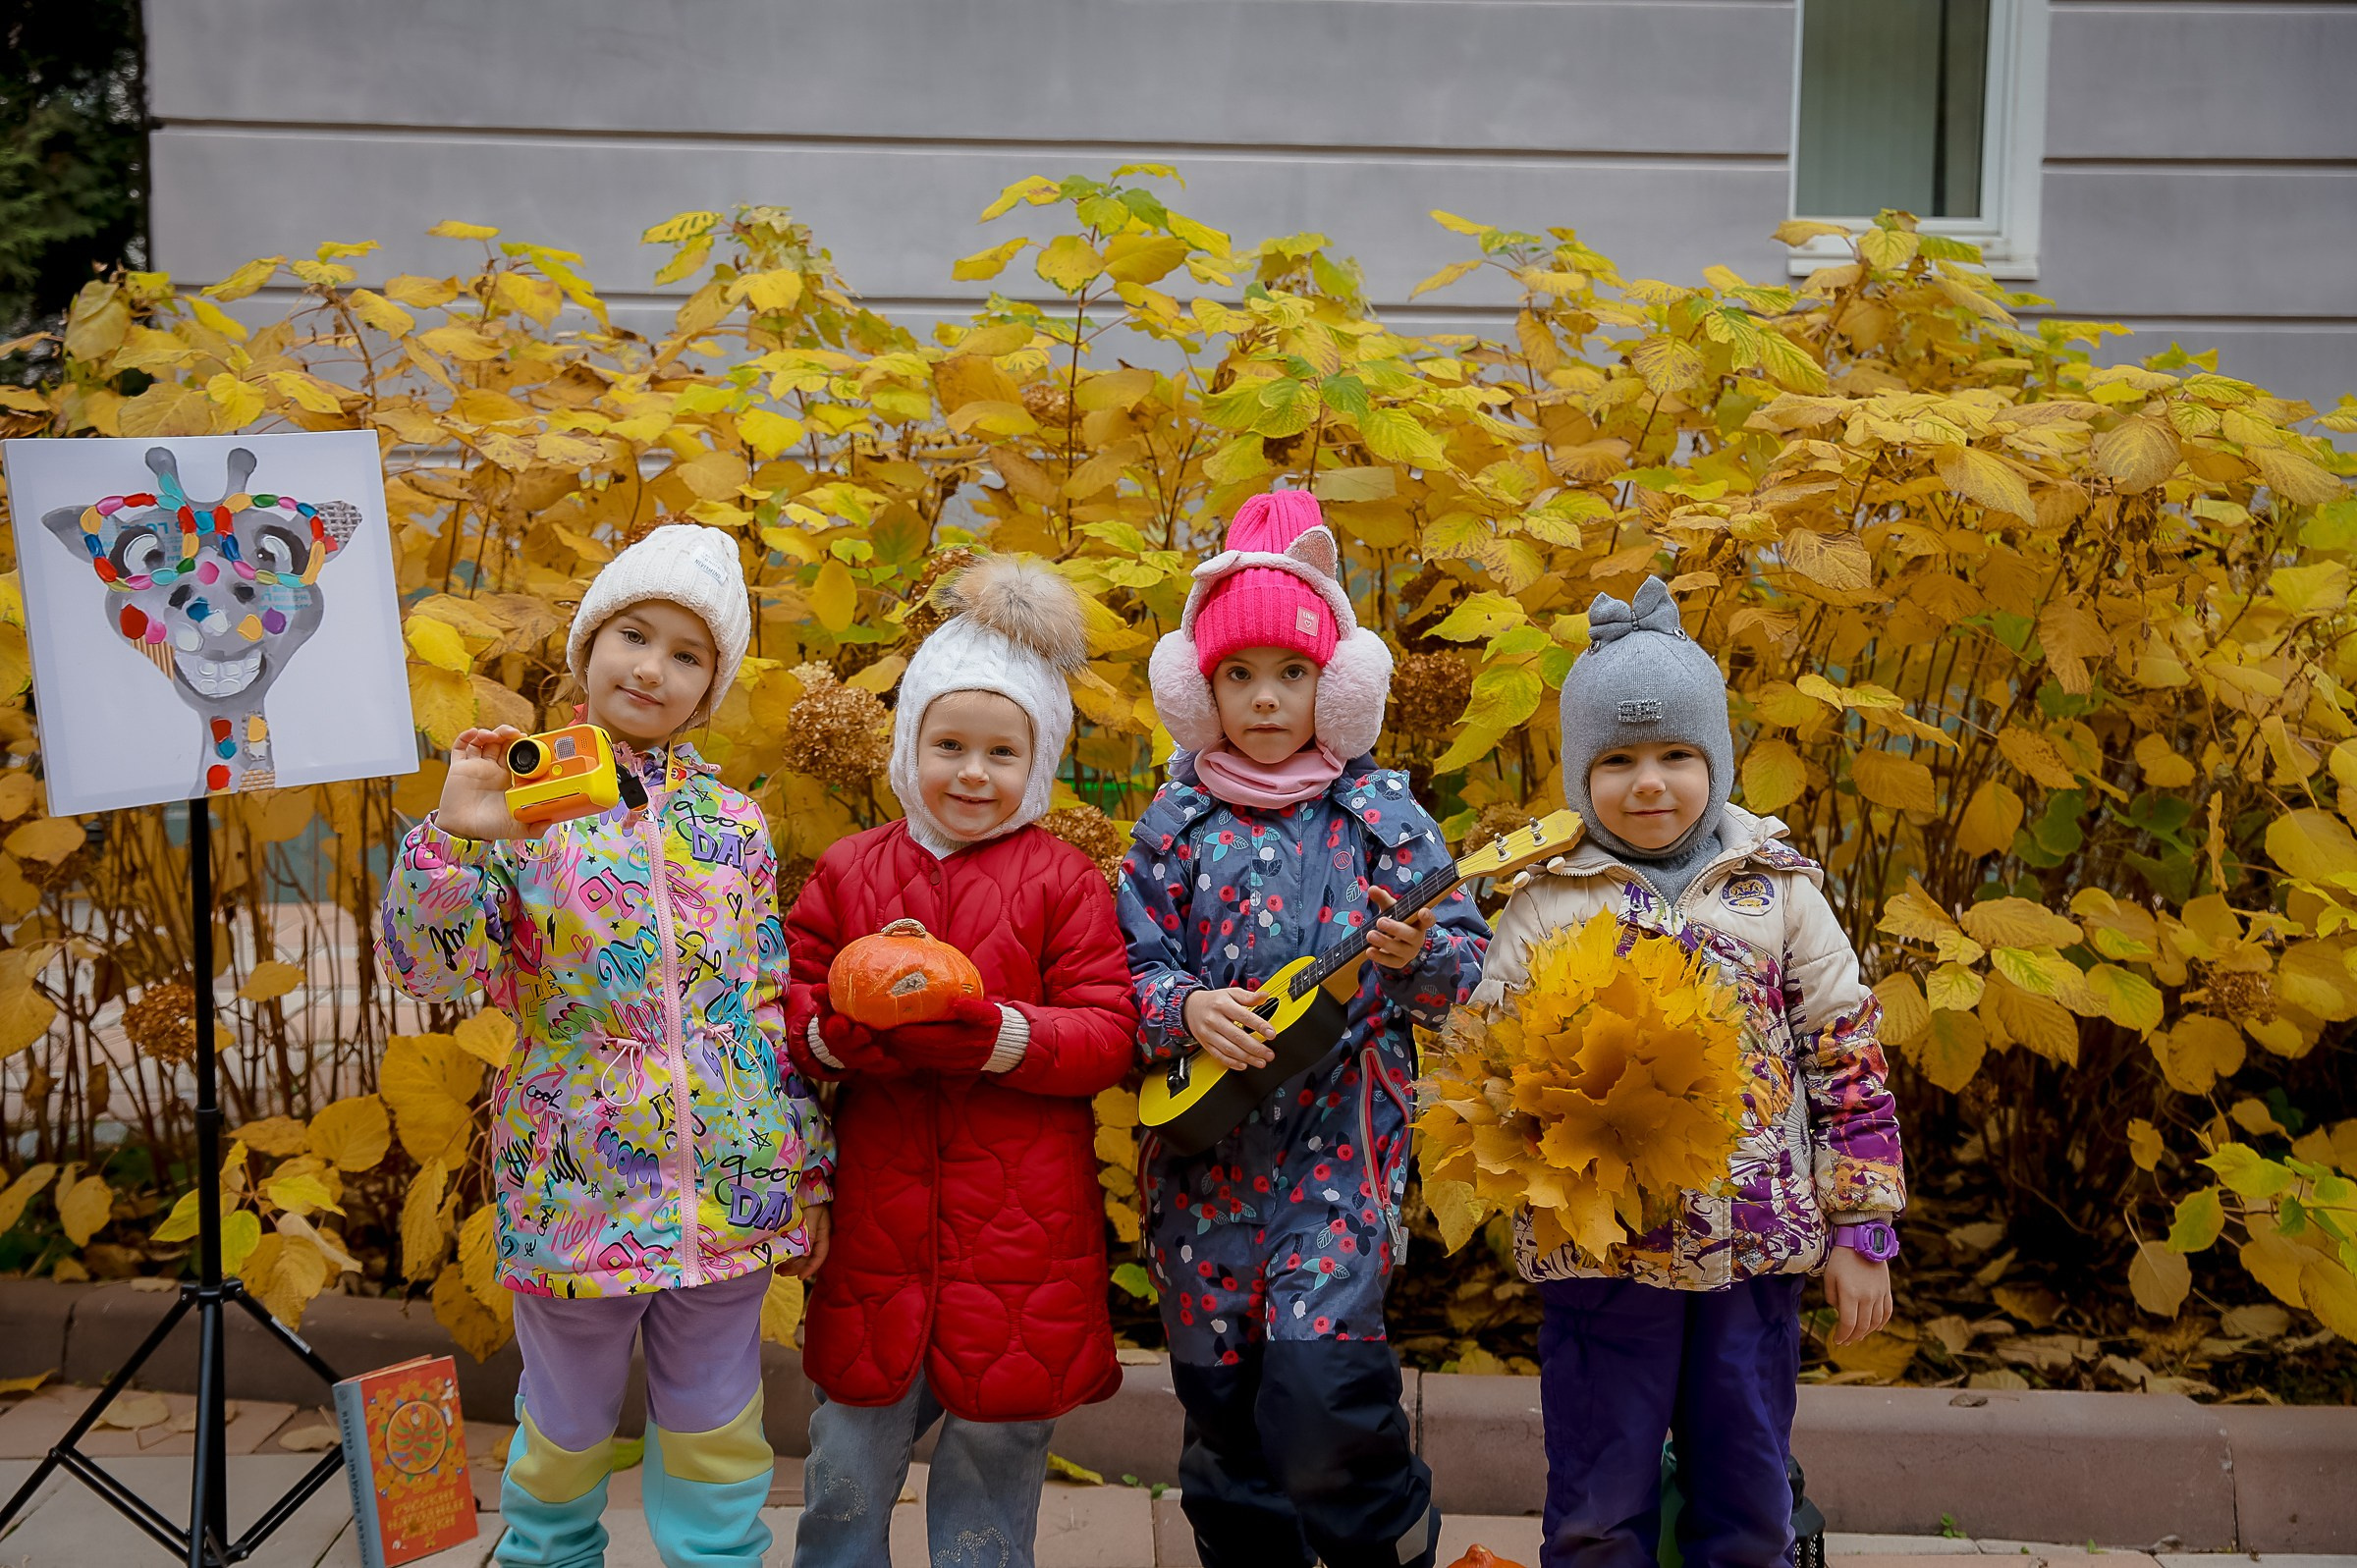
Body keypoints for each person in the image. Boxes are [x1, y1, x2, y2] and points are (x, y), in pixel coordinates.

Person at [378, 522, 833, 1568]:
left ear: (710, 688)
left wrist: (802, 1160)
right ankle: (546, 1554)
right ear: (587, 649)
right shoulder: (520, 811)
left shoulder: (733, 826)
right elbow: (434, 970)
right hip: (577, 1183)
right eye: (634, 634)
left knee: (720, 1430)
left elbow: (764, 1002)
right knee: (567, 1428)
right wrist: (454, 839)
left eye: (689, 654)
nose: (654, 668)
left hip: (724, 1188)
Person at [1472, 575, 1907, 1568]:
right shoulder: (1547, 902)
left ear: (1717, 758)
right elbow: (1491, 1060)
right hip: (1600, 1256)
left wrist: (1862, 1224)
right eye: (1618, 760)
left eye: (1677, 754)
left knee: (1745, 1484)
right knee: (1595, 1489)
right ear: (1582, 775)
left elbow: (1848, 1058)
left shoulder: (1778, 896)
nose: (1651, 782)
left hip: (1752, 1250)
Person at [1119, 489, 1488, 1568]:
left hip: (1341, 1144)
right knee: (1222, 1397)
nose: (1266, 700)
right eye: (1239, 676)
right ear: (1200, 688)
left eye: (1293, 675)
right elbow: (1123, 971)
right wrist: (1183, 1006)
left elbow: (1467, 970)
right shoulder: (1174, 826)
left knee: (1323, 1386)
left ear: (1337, 688)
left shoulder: (1383, 820)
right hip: (1202, 1159)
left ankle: (1392, 1542)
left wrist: (1420, 960)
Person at [782, 556, 1138, 1568]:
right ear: (910, 746)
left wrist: (995, 1035)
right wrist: (839, 1036)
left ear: (1040, 759)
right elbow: (792, 1008)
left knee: (993, 1471)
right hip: (877, 1235)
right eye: (948, 745)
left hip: (1019, 1240)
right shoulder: (855, 870)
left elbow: (1107, 1032)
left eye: (1000, 751)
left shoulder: (1061, 880)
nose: (971, 773)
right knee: (847, 1461)